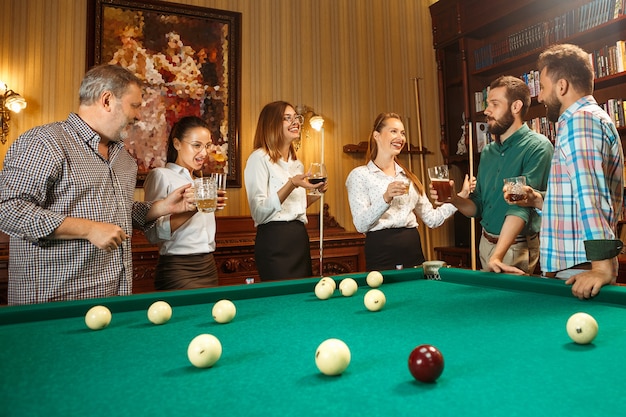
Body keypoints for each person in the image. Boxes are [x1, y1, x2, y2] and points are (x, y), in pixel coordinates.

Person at [0, 64, 196, 305]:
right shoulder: (44, 142)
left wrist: (163, 207)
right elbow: (8, 209)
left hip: (114, 298)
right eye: (134, 106)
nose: (138, 116)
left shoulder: (124, 159)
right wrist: (88, 229)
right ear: (106, 100)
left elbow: (117, 212)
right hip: (54, 302)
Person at [504, 44, 624, 300]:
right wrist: (536, 199)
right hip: (579, 264)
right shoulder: (589, 118)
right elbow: (576, 197)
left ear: (562, 87)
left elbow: (591, 195)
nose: (540, 97)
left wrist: (601, 267)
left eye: (544, 88)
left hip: (583, 267)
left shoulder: (580, 121)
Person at [431, 76, 553, 274]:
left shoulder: (538, 147)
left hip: (516, 247)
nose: (486, 111)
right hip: (485, 243)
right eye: (488, 104)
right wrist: (453, 198)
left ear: (516, 107)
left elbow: (520, 207)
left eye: (494, 104)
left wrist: (497, 255)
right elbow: (476, 206)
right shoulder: (488, 152)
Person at [346, 112, 470, 271]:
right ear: (376, 135)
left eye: (402, 133)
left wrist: (460, 197)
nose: (400, 137)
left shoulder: (409, 177)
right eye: (393, 131)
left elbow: (432, 219)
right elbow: (361, 225)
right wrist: (386, 198)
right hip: (381, 254)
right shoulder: (359, 175)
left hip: (413, 252)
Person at [244, 101, 327, 281]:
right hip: (275, 241)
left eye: (296, 118)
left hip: (298, 237)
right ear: (271, 124)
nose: (295, 122)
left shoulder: (297, 164)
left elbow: (295, 206)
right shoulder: (258, 158)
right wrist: (292, 184)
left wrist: (315, 193)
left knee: (303, 297)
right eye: (287, 118)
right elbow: (258, 213)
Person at [144, 116, 227, 290]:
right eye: (197, 145)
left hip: (209, 265)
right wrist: (196, 208)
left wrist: (205, 207)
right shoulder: (161, 175)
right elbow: (153, 233)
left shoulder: (201, 181)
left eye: (207, 146)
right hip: (178, 268)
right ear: (177, 144)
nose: (204, 153)